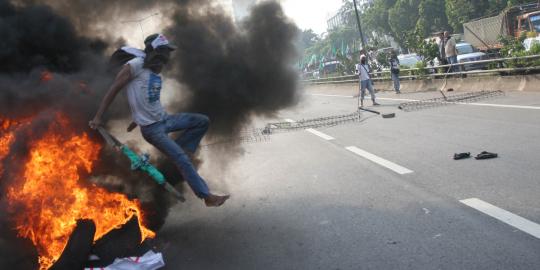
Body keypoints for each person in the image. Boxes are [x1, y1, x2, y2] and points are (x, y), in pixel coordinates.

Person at [89, 33, 230, 207]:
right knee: (181, 159)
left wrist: (136, 117)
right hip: (152, 130)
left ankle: (182, 152)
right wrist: (98, 117)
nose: (167, 58)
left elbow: (147, 99)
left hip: (165, 120)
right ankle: (206, 196)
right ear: (155, 52)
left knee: (202, 121)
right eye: (164, 52)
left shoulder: (154, 72)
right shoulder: (134, 66)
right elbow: (114, 89)